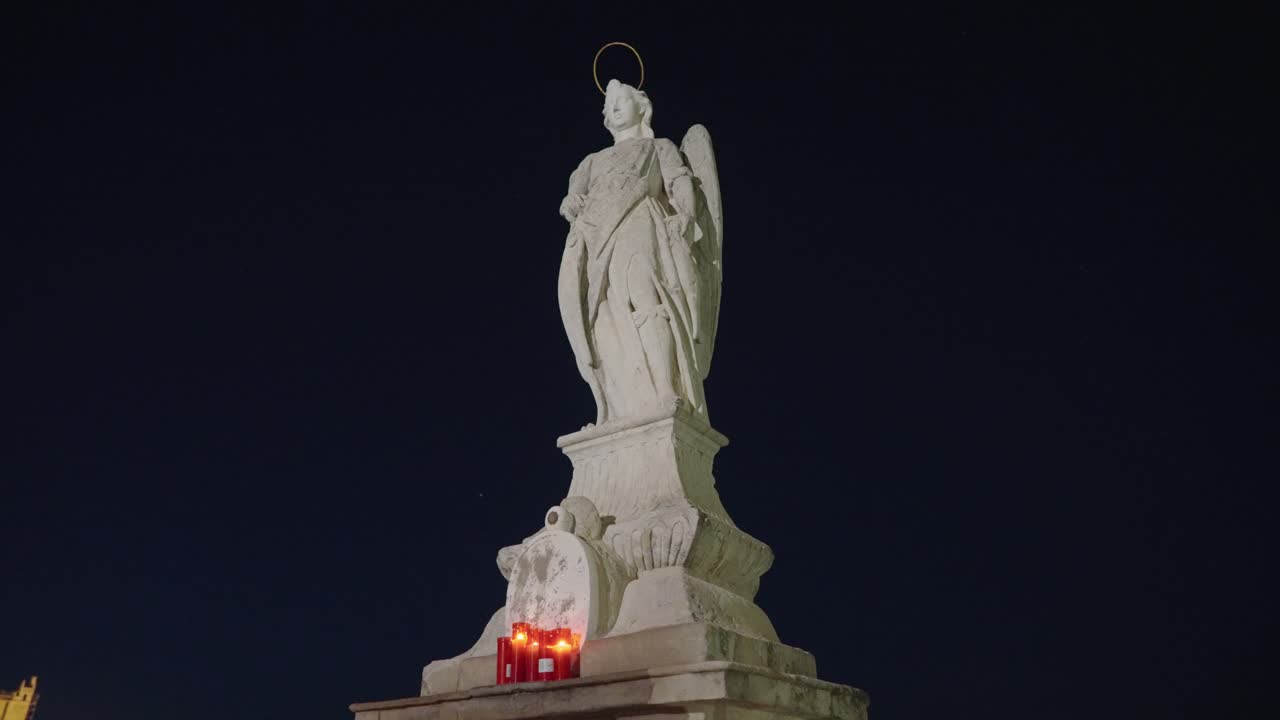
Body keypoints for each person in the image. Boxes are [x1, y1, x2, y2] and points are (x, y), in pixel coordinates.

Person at [557, 79, 722, 426]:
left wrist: (687, 214)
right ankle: (620, 404)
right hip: (596, 238)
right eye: (608, 104)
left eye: (621, 99)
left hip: (640, 222)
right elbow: (573, 196)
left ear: (641, 106)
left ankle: (665, 389)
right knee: (604, 312)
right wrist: (570, 203)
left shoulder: (658, 147)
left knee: (643, 292)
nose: (613, 107)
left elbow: (678, 181)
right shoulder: (592, 161)